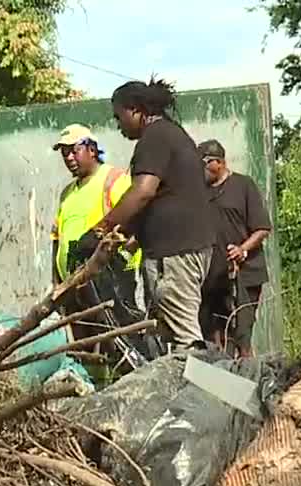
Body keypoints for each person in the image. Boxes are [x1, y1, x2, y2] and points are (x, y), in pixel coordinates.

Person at [75, 78, 218, 352]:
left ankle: (203, 391)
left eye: (119, 118)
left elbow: (143, 192)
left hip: (174, 253)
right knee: (166, 334)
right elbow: (161, 199)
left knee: (185, 341)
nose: (119, 126)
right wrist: (126, 239)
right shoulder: (173, 135)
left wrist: (99, 230)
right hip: (187, 248)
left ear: (136, 110)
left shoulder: (154, 138)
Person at [49, 124, 139, 348]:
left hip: (109, 282)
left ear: (91, 149)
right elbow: (57, 239)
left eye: (73, 150)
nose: (68, 157)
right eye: (64, 153)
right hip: (73, 284)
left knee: (117, 341)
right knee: (83, 345)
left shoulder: (114, 179)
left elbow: (135, 222)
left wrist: (123, 258)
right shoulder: (68, 193)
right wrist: (57, 282)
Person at [197, 139, 272, 357]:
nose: (201, 172)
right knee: (216, 338)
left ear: (218, 163)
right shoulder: (200, 193)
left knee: (242, 334)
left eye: (204, 165)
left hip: (246, 273)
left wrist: (242, 249)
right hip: (213, 278)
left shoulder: (243, 185)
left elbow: (262, 228)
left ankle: (249, 376)